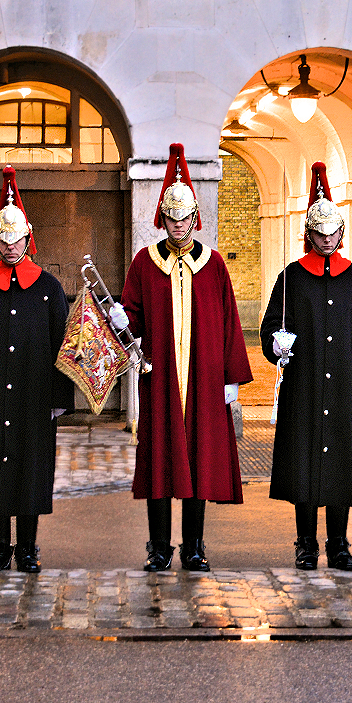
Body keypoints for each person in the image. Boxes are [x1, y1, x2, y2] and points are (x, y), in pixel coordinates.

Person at [115, 143, 253, 572]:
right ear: (164, 219)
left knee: (198, 457)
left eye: (184, 219)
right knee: (159, 460)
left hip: (205, 380)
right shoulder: (144, 263)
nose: (177, 226)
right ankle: (159, 548)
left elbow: (229, 320)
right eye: (171, 219)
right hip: (159, 379)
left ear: (195, 218)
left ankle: (194, 546)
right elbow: (130, 323)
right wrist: (121, 319)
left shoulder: (213, 265)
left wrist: (231, 378)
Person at [261, 161, 352, 571]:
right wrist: (275, 345)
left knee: (339, 468)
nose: (327, 240)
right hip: (306, 386)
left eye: (334, 233)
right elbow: (270, 327)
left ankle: (339, 543)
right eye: (320, 233)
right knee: (305, 467)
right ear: (308, 235)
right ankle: (305, 542)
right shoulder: (292, 278)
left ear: (342, 233)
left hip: (345, 388)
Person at [0, 166, 74, 573]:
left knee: (29, 470)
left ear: (28, 238)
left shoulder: (48, 287)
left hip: (34, 395)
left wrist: (60, 401)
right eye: (3, 240)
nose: (10, 247)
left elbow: (64, 345)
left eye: (16, 239)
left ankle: (27, 548)